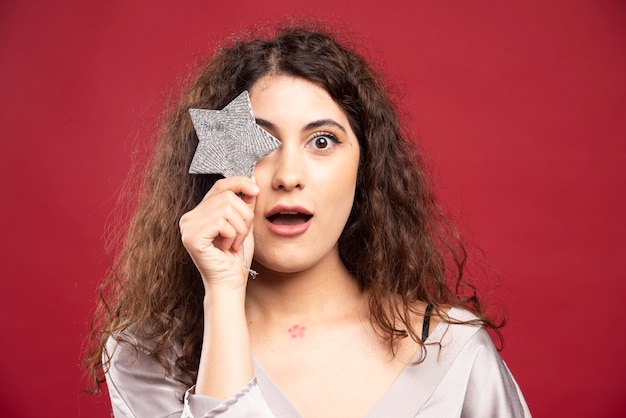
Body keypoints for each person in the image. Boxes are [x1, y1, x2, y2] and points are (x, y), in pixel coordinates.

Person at [84, 22, 530, 417]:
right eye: (261, 141)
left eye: (322, 141)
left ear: (366, 167)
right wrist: (222, 293)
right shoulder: (146, 357)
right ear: (219, 165)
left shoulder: (451, 348)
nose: (289, 176)